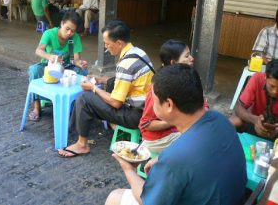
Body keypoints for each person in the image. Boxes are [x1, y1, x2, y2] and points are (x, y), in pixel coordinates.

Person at [105, 64, 247, 205]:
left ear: (168, 105)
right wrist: (161, 158)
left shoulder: (176, 158)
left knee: (115, 197)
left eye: (153, 100)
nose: (152, 105)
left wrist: (129, 169)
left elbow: (146, 200)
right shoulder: (220, 119)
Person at [58, 20, 154, 157]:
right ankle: (111, 124)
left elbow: (116, 102)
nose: (106, 48)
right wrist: (100, 79)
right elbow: (124, 81)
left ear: (119, 43)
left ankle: (82, 144)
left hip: (136, 115)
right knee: (110, 82)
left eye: (108, 44)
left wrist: (93, 87)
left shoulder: (126, 64)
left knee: (84, 99)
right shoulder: (138, 52)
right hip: (148, 108)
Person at [28, 11, 88, 121]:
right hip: (48, 66)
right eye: (67, 28)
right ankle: (37, 107)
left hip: (67, 67)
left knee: (83, 73)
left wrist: (79, 63)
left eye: (73, 31)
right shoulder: (49, 33)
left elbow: (74, 59)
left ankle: (75, 105)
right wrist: (50, 56)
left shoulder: (74, 38)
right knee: (35, 70)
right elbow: (39, 50)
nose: (69, 33)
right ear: (61, 24)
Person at [139, 40, 194, 153]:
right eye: (187, 56)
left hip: (176, 130)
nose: (192, 58)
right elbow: (146, 124)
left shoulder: (185, 78)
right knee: (197, 141)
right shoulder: (160, 86)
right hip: (158, 139)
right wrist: (177, 121)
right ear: (173, 63)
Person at [230, 60, 278, 140]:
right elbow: (239, 107)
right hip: (255, 124)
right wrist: (255, 120)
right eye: (272, 86)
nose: (275, 91)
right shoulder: (258, 78)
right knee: (234, 121)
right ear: (265, 77)